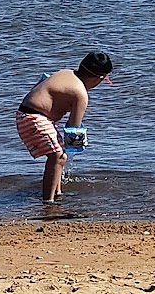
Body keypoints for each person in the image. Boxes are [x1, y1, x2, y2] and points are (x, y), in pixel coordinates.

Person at [16, 51, 112, 203]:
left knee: (60, 155)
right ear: (99, 78)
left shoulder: (66, 73)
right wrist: (80, 142)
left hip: (26, 113)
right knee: (58, 156)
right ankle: (48, 201)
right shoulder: (80, 93)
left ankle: (58, 192)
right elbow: (73, 129)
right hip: (34, 118)